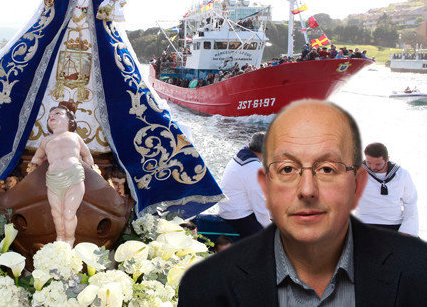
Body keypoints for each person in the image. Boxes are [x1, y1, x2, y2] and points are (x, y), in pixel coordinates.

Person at [178, 100, 427, 306]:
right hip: (239, 214)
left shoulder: (400, 176)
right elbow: (262, 208)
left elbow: (411, 203)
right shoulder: (251, 169)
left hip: (390, 226)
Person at [29, 105, 97, 245]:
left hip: (74, 176)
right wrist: (33, 165)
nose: (51, 117)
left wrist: (93, 170)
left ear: (70, 120)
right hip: (53, 179)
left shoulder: (74, 136)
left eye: (57, 113)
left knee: (69, 213)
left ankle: (70, 240)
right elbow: (37, 158)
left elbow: (87, 155)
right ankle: (60, 239)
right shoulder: (46, 141)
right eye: (49, 116)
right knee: (56, 213)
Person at [354, 142, 418, 236]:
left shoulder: (402, 175)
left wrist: (406, 231)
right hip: (365, 224)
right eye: (369, 162)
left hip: (394, 225)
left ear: (387, 159)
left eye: (378, 164)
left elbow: (411, 203)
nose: (372, 167)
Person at [217, 132, 271, 238]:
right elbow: (259, 204)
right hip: (237, 215)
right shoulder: (254, 168)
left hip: (228, 208)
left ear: (249, 144)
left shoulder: (240, 157)